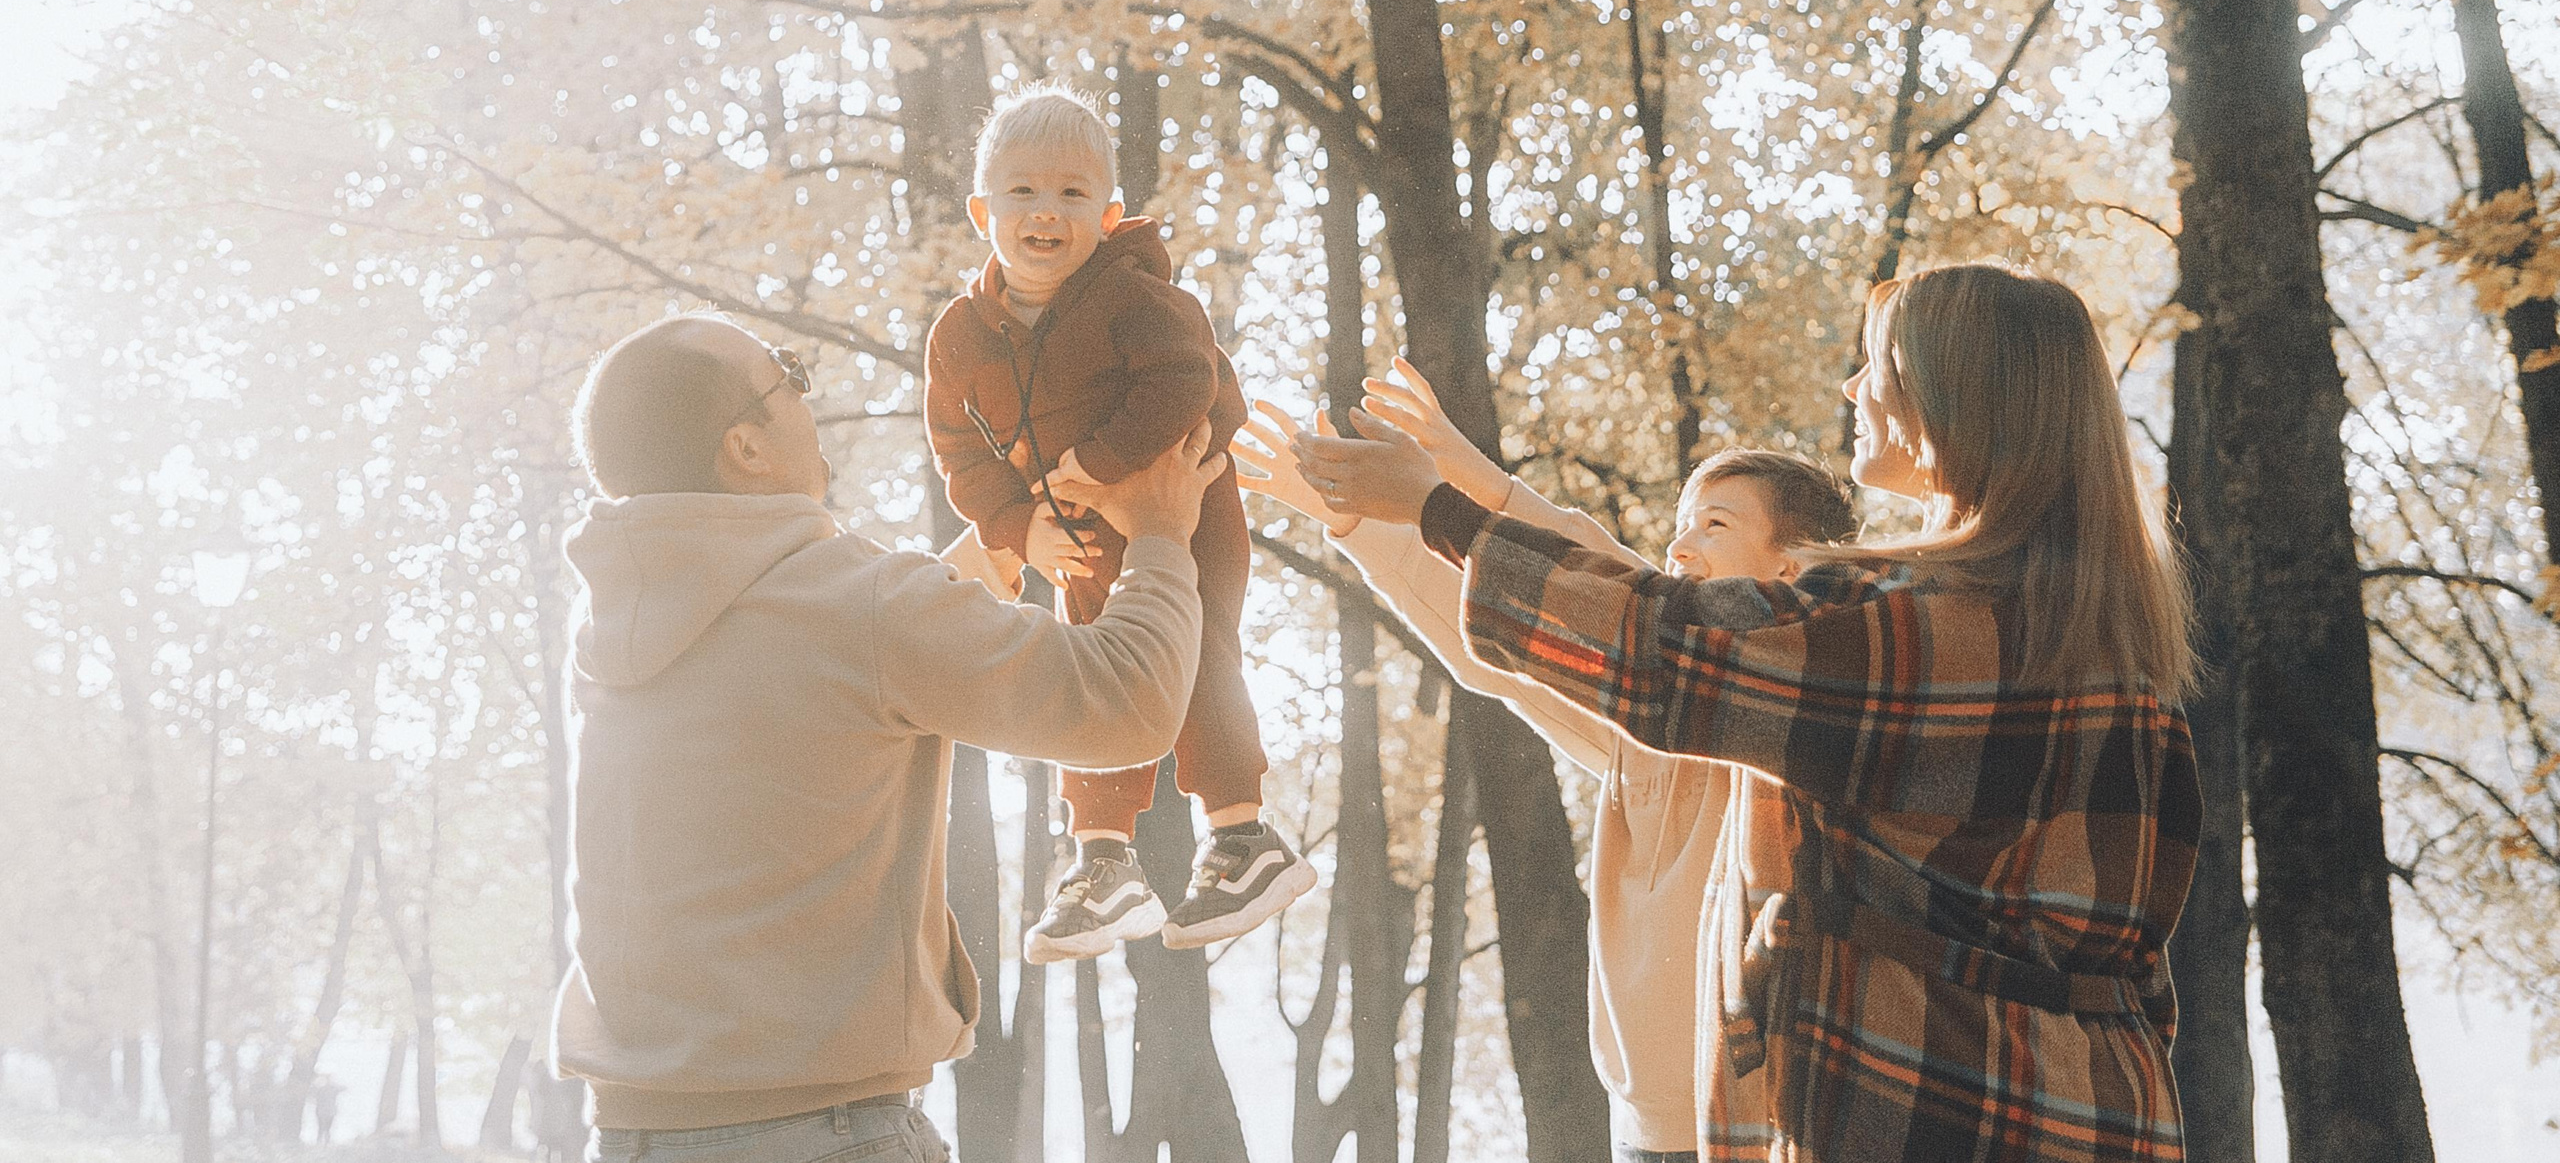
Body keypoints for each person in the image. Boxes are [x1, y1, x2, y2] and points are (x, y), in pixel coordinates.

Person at [1296, 265, 2201, 1163]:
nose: (1853, 386)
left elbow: (1661, 644)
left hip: (1930, 1117)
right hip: (2101, 1117)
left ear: (1948, 400)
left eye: (1876, 364)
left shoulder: (1903, 629)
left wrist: (1433, 508)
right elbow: (2132, 968)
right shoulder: (2117, 657)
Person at [553, 310, 1227, 1163]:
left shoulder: (618, 619)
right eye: (788, 375)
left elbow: (804, 691)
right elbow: (1127, 704)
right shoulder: (864, 605)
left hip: (633, 1133)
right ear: (746, 450)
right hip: (824, 1135)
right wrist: (1163, 535)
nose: (810, 394)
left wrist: (966, 576)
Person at [1234, 360, 1856, 1163]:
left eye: (1717, 526)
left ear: (1792, 569)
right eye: (1685, 520)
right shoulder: (1639, 725)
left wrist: (1475, 482)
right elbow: (1494, 648)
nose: (1678, 542)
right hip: (1642, 1128)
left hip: (1760, 1123)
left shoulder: (1789, 716)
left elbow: (1611, 582)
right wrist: (1348, 515)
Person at [925, 84, 1312, 962]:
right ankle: (1103, 859)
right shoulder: (960, 337)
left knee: (1197, 651)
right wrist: (1021, 528)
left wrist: (1102, 465)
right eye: (1023, 192)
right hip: (1076, 540)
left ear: (1108, 213)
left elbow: (1190, 386)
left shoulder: (1138, 299)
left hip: (1184, 509)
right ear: (984, 210)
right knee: (1094, 679)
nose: (1046, 213)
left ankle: (1244, 833)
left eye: (1071, 194)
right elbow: (960, 448)